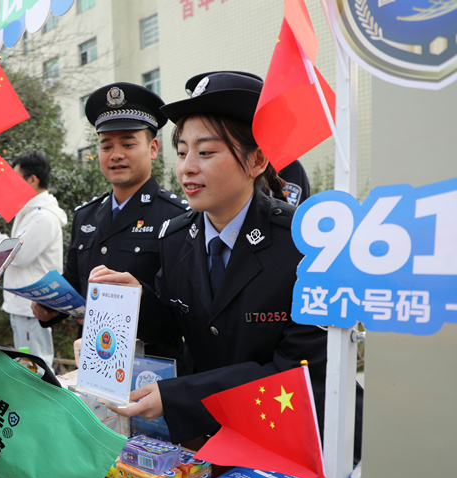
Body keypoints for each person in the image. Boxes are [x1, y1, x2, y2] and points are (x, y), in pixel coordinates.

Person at [93, 71, 361, 454]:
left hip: (294, 445)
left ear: (256, 161)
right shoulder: (175, 238)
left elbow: (298, 374)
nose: (186, 167)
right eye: (182, 151)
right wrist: (136, 299)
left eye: (205, 152)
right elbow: (176, 329)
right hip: (212, 442)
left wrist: (179, 396)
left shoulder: (305, 246)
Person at [32, 82, 189, 361]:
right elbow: (75, 286)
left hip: (151, 370)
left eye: (128, 143)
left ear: (153, 148)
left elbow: (184, 313)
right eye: (106, 145)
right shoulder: (86, 216)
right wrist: (51, 308)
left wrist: (137, 297)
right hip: (93, 362)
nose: (116, 154)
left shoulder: (178, 216)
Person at [0, 149, 67, 368]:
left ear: (32, 179)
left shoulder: (43, 216)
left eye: (16, 177)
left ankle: (42, 403)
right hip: (23, 304)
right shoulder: (31, 212)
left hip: (33, 305)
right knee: (27, 364)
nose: (11, 184)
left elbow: (18, 256)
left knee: (36, 367)